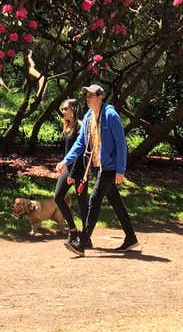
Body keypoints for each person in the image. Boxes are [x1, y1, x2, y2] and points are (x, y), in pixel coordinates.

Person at [56, 84, 138, 257]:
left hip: (110, 167)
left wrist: (120, 170)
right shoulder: (88, 117)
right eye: (86, 95)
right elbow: (80, 143)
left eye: (91, 95)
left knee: (94, 200)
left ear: (100, 97)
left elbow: (121, 144)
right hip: (97, 165)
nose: (87, 98)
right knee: (116, 201)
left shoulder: (111, 115)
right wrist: (66, 160)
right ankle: (131, 237)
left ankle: (82, 243)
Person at [53, 98, 90, 247]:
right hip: (69, 168)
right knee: (58, 197)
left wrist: (73, 174)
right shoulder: (67, 127)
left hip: (80, 170)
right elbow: (69, 151)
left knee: (83, 205)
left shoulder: (81, 126)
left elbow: (81, 153)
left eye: (66, 109)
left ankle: (86, 238)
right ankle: (73, 230)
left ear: (74, 110)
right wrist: (64, 164)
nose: (63, 112)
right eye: (62, 109)